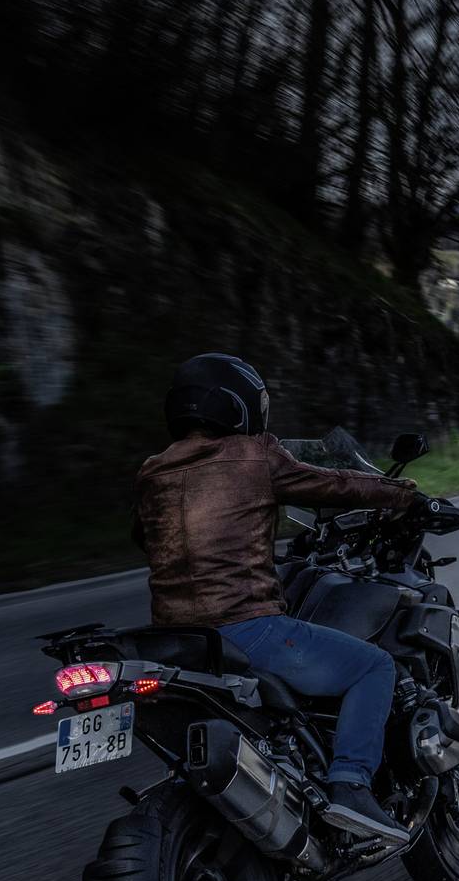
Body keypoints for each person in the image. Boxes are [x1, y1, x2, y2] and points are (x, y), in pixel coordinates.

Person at [132, 353, 419, 847]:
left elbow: (147, 535)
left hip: (175, 640)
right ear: (240, 406)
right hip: (246, 627)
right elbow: (334, 483)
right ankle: (350, 785)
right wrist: (405, 495)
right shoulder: (253, 455)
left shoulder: (154, 470)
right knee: (374, 667)